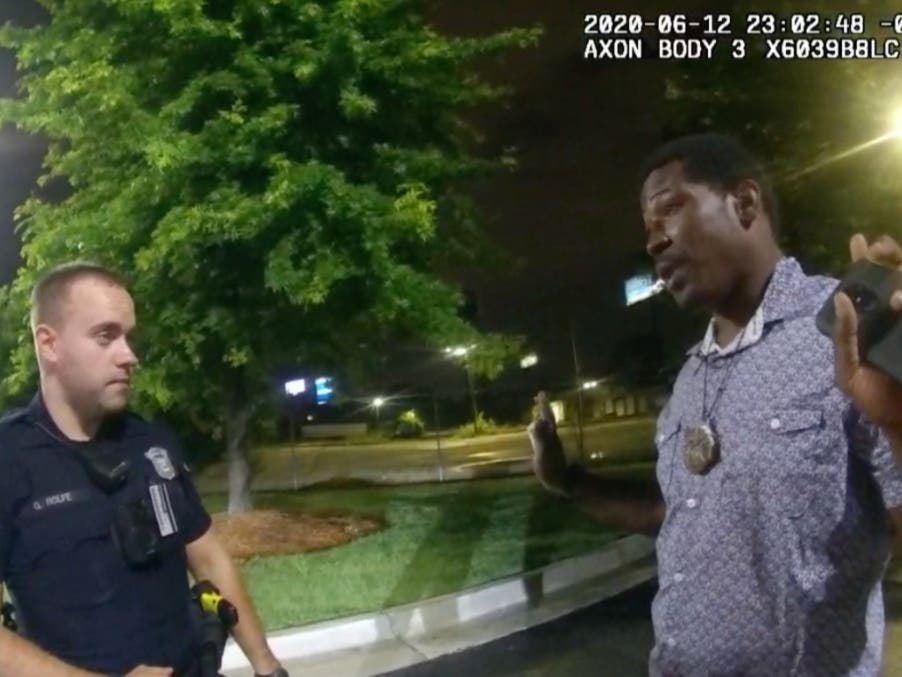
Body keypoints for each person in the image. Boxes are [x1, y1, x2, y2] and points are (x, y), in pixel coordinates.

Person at [528, 132, 902, 676]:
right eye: (647, 227)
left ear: (744, 203)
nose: (654, 242)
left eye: (669, 210)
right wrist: (566, 480)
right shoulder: (688, 379)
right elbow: (676, 516)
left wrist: (898, 423)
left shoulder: (848, 337)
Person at [0, 263, 288, 677]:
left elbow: (207, 557)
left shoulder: (152, 442)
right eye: (105, 336)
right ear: (49, 344)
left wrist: (267, 667)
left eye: (129, 337)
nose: (129, 356)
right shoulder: (9, 459)